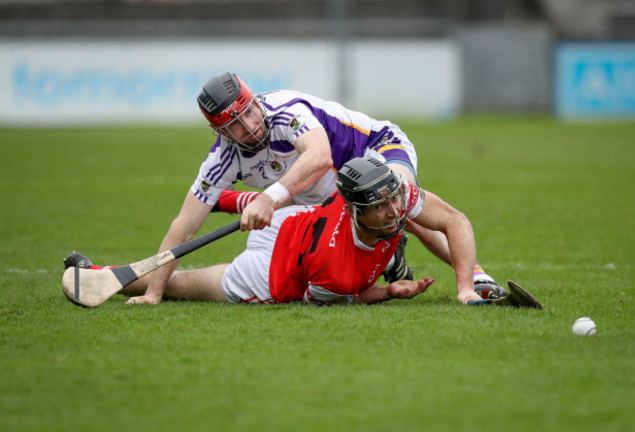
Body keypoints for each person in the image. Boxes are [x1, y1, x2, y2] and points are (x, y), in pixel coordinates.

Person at [192, 72, 505, 297]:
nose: (247, 126)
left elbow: (319, 158)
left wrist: (269, 198)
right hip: (339, 180)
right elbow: (185, 222)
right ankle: (390, 255)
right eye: (234, 124)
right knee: (318, 211)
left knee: (398, 207)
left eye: (247, 115)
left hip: (377, 146)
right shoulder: (227, 154)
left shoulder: (285, 112)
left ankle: (476, 278)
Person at [66, 157, 482, 305]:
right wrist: (387, 292)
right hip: (269, 274)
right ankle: (111, 279)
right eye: (381, 207)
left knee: (238, 207)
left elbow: (455, 221)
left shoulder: (395, 193)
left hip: (291, 229)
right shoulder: (340, 273)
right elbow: (350, 297)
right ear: (355, 209)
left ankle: (97, 270)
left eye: (395, 201)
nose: (395, 210)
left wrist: (466, 285)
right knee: (178, 286)